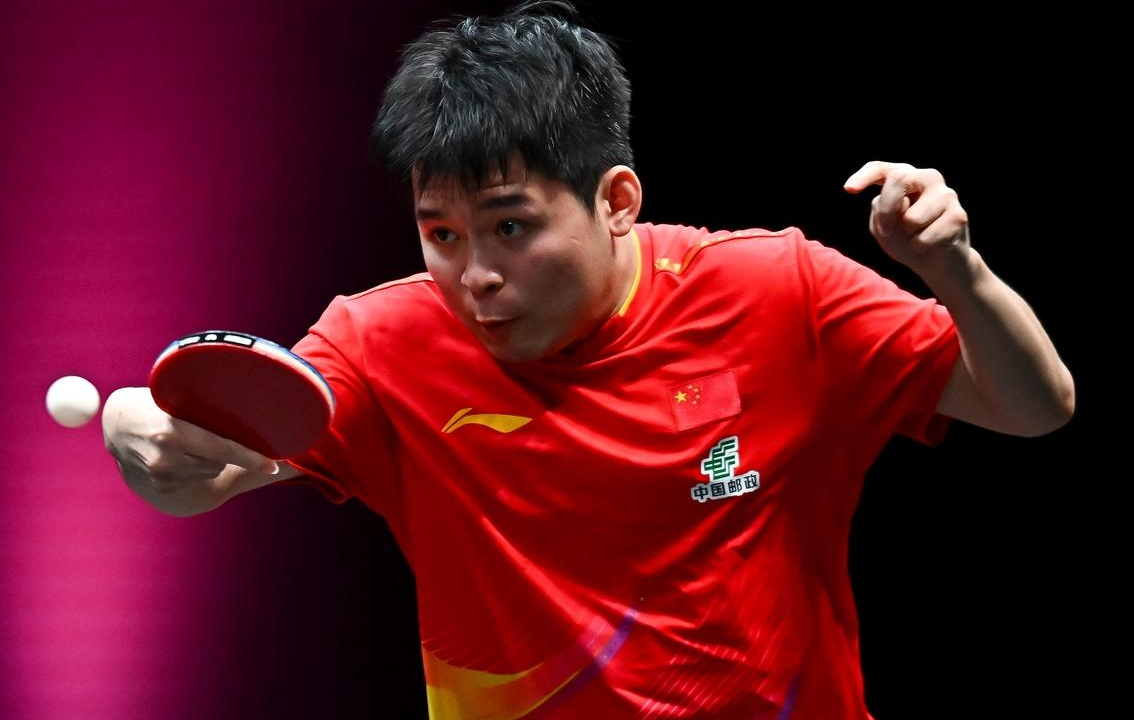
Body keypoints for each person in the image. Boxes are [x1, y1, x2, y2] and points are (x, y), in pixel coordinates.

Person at [103, 1, 1074, 717]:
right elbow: (222, 466)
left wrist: (954, 268)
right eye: (440, 234)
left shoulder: (779, 289)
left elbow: (1034, 406)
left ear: (615, 201)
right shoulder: (381, 341)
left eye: (510, 227)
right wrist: (150, 439)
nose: (475, 276)